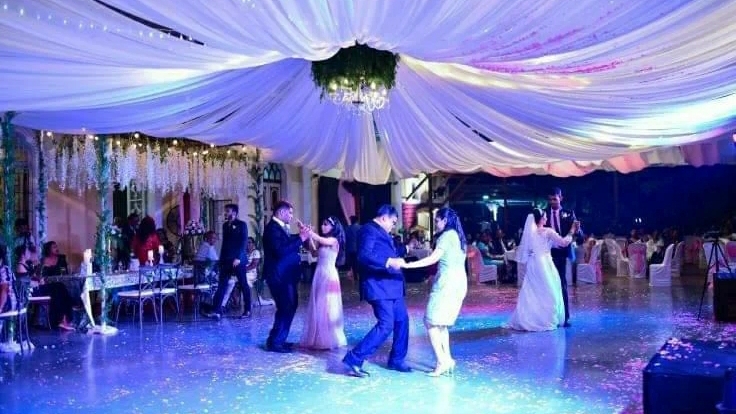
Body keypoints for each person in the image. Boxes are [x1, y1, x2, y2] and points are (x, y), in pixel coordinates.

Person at [342, 205, 410, 377]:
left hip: (392, 286)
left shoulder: (382, 232)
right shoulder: (368, 230)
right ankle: (354, 358)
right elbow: (364, 256)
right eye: (393, 222)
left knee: (402, 321)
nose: (393, 226)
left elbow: (389, 250)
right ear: (384, 217)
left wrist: (405, 250)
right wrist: (388, 261)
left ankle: (397, 359)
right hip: (379, 286)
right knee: (386, 324)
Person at [402, 207, 468, 377]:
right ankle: (448, 359)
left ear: (445, 221)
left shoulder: (446, 236)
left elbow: (433, 259)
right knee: (441, 324)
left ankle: (441, 361)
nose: (435, 224)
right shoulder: (459, 236)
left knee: (430, 322)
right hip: (459, 282)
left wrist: (408, 265)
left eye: (437, 220)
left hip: (447, 284)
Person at [506, 209, 579, 332]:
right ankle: (545, 319)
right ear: (540, 219)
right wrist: (572, 231)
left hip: (533, 264)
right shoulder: (547, 231)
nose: (546, 218)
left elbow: (540, 247)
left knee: (533, 291)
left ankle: (532, 318)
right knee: (549, 291)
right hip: (544, 264)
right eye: (545, 216)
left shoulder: (530, 234)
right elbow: (563, 242)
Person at [264, 200, 309, 353]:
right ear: (281, 212)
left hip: (286, 276)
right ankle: (276, 342)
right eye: (290, 213)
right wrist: (300, 238)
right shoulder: (272, 229)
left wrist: (302, 235)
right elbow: (280, 251)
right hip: (279, 276)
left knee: (289, 306)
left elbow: (287, 241)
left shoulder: (280, 228)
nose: (291, 216)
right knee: (286, 307)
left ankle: (278, 339)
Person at [300, 216, 348, 350]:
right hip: (319, 274)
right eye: (322, 224)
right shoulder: (324, 241)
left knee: (327, 306)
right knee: (318, 305)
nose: (323, 226)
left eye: (326, 224)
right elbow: (314, 253)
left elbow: (320, 239)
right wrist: (309, 237)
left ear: (333, 227)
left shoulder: (334, 240)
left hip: (329, 275)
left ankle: (329, 338)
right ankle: (318, 337)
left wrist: (308, 231)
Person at [545, 187, 582, 326]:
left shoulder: (569, 213)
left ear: (561, 198)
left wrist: (577, 230)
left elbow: (580, 235)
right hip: (548, 253)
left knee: (562, 284)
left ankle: (565, 317)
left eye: (555, 199)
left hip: (562, 253)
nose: (552, 202)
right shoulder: (544, 214)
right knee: (549, 285)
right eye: (550, 199)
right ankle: (551, 315)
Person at [209, 204, 250, 320]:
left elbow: (243, 242)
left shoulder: (242, 224)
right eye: (225, 211)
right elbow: (225, 244)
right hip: (226, 260)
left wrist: (238, 257)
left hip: (238, 260)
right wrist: (221, 260)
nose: (225, 213)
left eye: (228, 211)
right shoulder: (225, 225)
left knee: (243, 284)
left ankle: (247, 310)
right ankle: (216, 311)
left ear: (234, 213)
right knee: (222, 285)